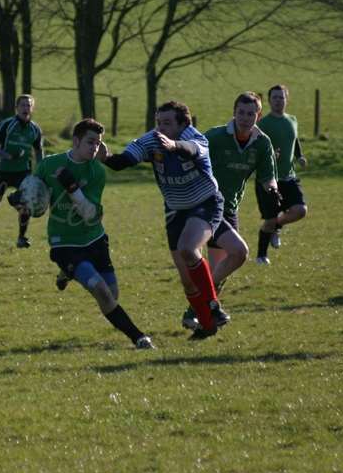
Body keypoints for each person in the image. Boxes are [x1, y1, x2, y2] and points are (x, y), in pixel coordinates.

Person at [11, 118, 154, 349]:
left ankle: (68, 272)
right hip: (64, 243)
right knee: (102, 292)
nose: (94, 148)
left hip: (94, 238)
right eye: (90, 142)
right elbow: (35, 200)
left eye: (98, 143)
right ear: (75, 140)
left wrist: (72, 188)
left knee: (112, 294)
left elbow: (91, 216)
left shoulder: (97, 171)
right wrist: (19, 200)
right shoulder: (48, 165)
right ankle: (139, 338)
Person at [97, 101, 230, 340]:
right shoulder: (152, 140)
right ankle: (207, 326)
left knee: (188, 248)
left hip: (205, 202)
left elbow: (191, 150)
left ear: (183, 124)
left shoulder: (195, 138)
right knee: (188, 282)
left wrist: (173, 145)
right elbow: (124, 161)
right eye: (159, 122)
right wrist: (106, 158)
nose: (161, 128)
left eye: (167, 123)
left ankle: (214, 306)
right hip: (175, 212)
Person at [181, 92, 278, 330]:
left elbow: (268, 175)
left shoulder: (262, 143)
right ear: (233, 113)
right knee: (237, 254)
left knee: (221, 271)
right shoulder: (214, 138)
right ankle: (199, 311)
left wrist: (272, 188)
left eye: (250, 114)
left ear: (258, 116)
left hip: (229, 208)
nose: (245, 118)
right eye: (241, 113)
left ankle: (196, 313)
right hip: (204, 207)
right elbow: (188, 163)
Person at [0, 95, 44, 248]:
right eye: (23, 105)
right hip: (4, 171)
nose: (25, 108)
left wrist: (41, 170)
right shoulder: (7, 124)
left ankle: (21, 237)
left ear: (32, 109)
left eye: (28, 105)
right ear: (17, 107)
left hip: (23, 172)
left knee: (25, 203)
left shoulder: (35, 130)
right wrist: (8, 156)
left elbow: (38, 151)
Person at [254, 85, 308, 264]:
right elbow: (256, 147)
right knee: (269, 221)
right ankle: (261, 256)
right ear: (269, 101)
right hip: (268, 179)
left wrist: (299, 156)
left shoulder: (292, 120)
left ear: (287, 100)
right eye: (275, 97)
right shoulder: (263, 124)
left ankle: (278, 225)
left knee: (300, 210)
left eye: (281, 97)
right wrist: (269, 155)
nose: (278, 100)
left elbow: (294, 139)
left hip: (289, 177)